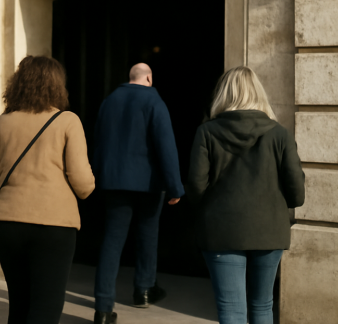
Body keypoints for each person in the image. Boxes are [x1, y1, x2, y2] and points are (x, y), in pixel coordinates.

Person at [0, 56, 96, 324]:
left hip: (6, 224)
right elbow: (83, 185)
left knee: (19, 306)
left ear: (18, 85)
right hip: (54, 226)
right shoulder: (68, 121)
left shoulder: (2, 122)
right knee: (46, 307)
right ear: (57, 86)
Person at [186, 66, 305, 324]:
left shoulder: (206, 132)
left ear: (224, 94)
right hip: (269, 230)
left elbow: (195, 187)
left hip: (221, 231)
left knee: (231, 309)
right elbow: (297, 194)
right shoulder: (279, 134)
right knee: (263, 307)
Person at [91, 63, 185, 324]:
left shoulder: (109, 102)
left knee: (111, 242)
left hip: (113, 182)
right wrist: (175, 186)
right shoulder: (154, 101)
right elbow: (166, 146)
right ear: (149, 78)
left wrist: (95, 178)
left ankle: (102, 307)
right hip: (148, 184)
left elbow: (99, 143)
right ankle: (143, 290)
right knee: (147, 236)